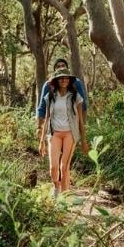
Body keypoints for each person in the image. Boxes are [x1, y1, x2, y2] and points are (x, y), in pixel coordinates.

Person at [37, 69, 89, 198]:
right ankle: (56, 187)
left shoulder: (75, 96)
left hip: (69, 133)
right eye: (61, 78)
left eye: (66, 78)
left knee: (64, 167)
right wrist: (41, 141)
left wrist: (84, 141)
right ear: (56, 81)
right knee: (53, 167)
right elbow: (47, 118)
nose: (64, 80)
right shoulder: (50, 96)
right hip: (54, 134)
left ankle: (65, 196)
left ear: (69, 80)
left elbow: (80, 121)